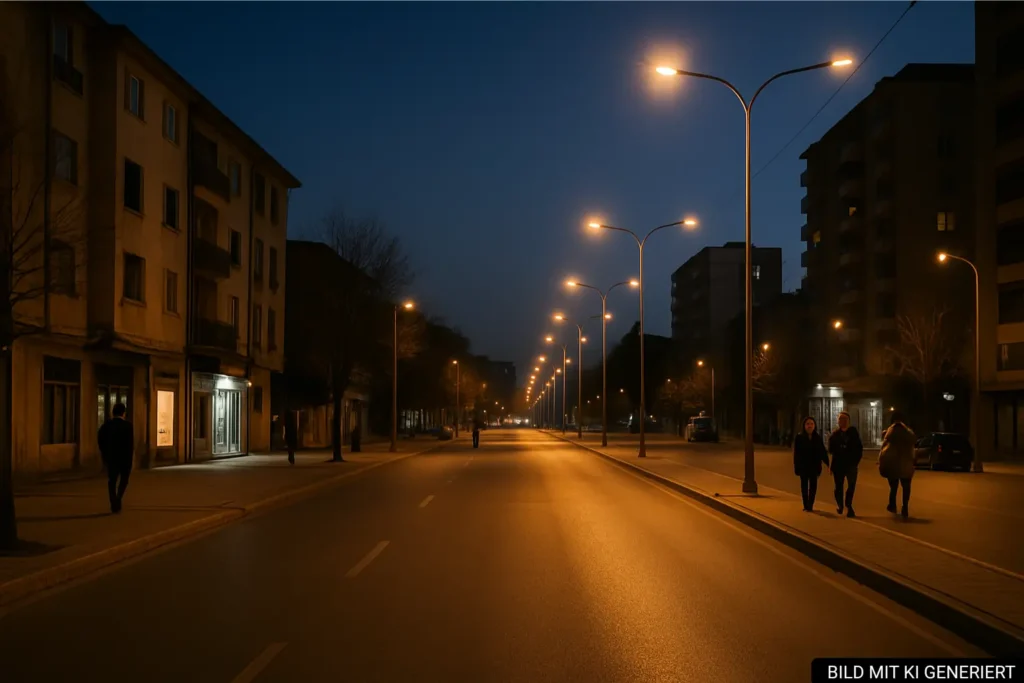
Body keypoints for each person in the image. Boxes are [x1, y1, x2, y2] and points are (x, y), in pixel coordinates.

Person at [97, 402, 134, 514]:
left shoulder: (107, 425)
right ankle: (118, 498)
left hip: (112, 458)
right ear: (123, 413)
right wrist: (130, 458)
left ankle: (113, 500)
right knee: (124, 480)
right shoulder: (128, 426)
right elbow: (130, 444)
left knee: (112, 481)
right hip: (125, 458)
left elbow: (100, 439)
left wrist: (105, 453)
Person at [879, 410, 915, 519]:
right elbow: (913, 444)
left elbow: (883, 448)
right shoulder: (909, 433)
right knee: (906, 487)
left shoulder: (890, 432)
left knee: (893, 486)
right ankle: (905, 507)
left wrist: (881, 460)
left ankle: (892, 504)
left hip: (893, 463)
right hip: (906, 463)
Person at [828, 411, 864, 518]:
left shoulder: (853, 433)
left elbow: (859, 448)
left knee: (851, 485)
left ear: (848, 421)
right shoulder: (835, 435)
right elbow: (831, 450)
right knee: (838, 487)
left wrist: (856, 461)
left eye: (845, 419)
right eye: (840, 419)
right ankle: (840, 505)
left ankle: (849, 505)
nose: (842, 421)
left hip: (851, 464)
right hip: (838, 465)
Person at [793, 416, 829, 512]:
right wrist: (797, 467)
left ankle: (810, 505)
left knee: (813, 487)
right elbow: (796, 454)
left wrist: (828, 464)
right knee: (804, 487)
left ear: (814, 426)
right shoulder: (799, 437)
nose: (810, 426)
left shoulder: (817, 438)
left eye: (812, 424)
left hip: (814, 466)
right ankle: (805, 505)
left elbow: (822, 452)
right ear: (804, 426)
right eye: (808, 424)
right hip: (803, 467)